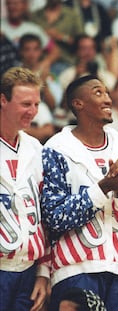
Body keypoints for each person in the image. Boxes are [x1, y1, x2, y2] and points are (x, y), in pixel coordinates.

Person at [41, 74, 118, 311]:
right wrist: (104, 188)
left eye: (107, 93)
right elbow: (54, 216)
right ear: (78, 103)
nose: (108, 99)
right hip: (74, 268)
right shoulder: (56, 148)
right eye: (98, 92)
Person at [0, 67, 49, 311]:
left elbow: (44, 215)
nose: (33, 112)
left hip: (28, 271)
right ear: (3, 100)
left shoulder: (36, 148)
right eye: (25, 104)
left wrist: (43, 272)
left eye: (36, 104)